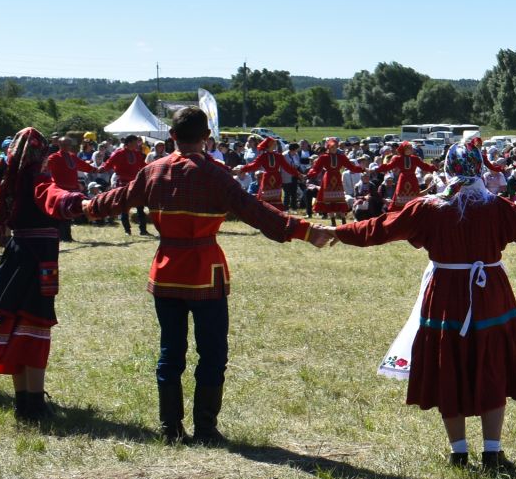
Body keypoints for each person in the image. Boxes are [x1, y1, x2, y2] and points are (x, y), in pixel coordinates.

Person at [328, 168, 516, 469]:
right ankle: (491, 452)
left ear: (447, 173)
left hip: (445, 295)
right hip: (489, 295)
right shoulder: (497, 209)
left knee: (449, 364)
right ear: (481, 172)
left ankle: (458, 452)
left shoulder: (427, 209)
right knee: (492, 363)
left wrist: (337, 233)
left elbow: (381, 227)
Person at [86, 107, 322, 444]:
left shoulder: (152, 171)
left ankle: (170, 429)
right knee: (212, 352)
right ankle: (206, 430)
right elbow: (255, 211)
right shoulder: (215, 174)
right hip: (205, 271)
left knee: (171, 350)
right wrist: (303, 230)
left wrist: (85, 207)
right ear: (206, 138)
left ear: (172, 136)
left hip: (166, 269)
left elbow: (117, 199)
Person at [0, 128, 94, 422]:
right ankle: (36, 403)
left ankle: (23, 402)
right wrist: (78, 202)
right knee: (36, 324)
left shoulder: (9, 183)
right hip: (39, 257)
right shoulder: (38, 179)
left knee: (15, 324)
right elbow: (51, 196)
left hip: (14, 253)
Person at [307, 138, 364, 225]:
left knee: (339, 199)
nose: (334, 149)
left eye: (335, 147)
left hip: (337, 178)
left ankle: (343, 220)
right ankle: (333, 220)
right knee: (328, 200)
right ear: (328, 148)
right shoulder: (323, 157)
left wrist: (362, 169)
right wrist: (309, 175)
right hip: (328, 178)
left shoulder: (341, 157)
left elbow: (351, 167)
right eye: (332, 147)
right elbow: (316, 169)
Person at [102, 135, 152, 234]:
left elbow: (143, 165)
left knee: (140, 206)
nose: (137, 145)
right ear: (129, 143)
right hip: (123, 182)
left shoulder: (137, 154)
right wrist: (98, 169)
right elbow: (109, 164)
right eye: (135, 143)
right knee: (124, 207)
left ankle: (143, 230)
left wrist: (153, 167)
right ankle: (127, 230)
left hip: (135, 182)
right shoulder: (119, 153)